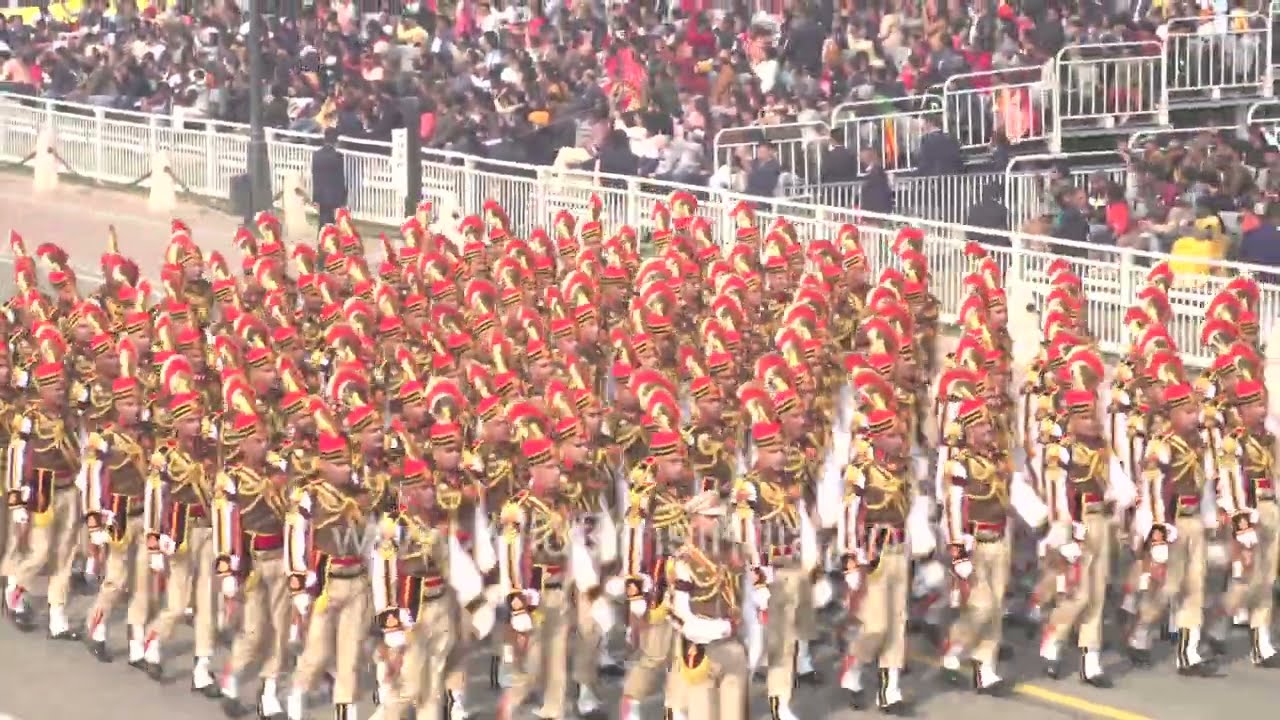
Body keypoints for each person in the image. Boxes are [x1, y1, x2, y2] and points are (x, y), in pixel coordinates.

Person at [311, 128, 348, 228]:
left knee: (322, 223)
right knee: (331, 224)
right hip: (333, 196)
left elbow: (315, 176)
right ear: (335, 140)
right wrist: (343, 199)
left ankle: (321, 241)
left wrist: (315, 197)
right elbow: (340, 179)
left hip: (320, 195)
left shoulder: (316, 155)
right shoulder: (337, 157)